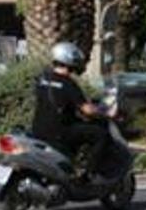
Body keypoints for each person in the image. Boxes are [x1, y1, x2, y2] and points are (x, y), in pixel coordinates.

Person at [32, 42, 113, 183]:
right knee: (100, 134)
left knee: (79, 128)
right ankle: (87, 174)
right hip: (60, 131)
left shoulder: (43, 78)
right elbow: (86, 110)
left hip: (37, 129)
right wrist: (104, 112)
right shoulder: (68, 83)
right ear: (69, 60)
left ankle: (70, 163)